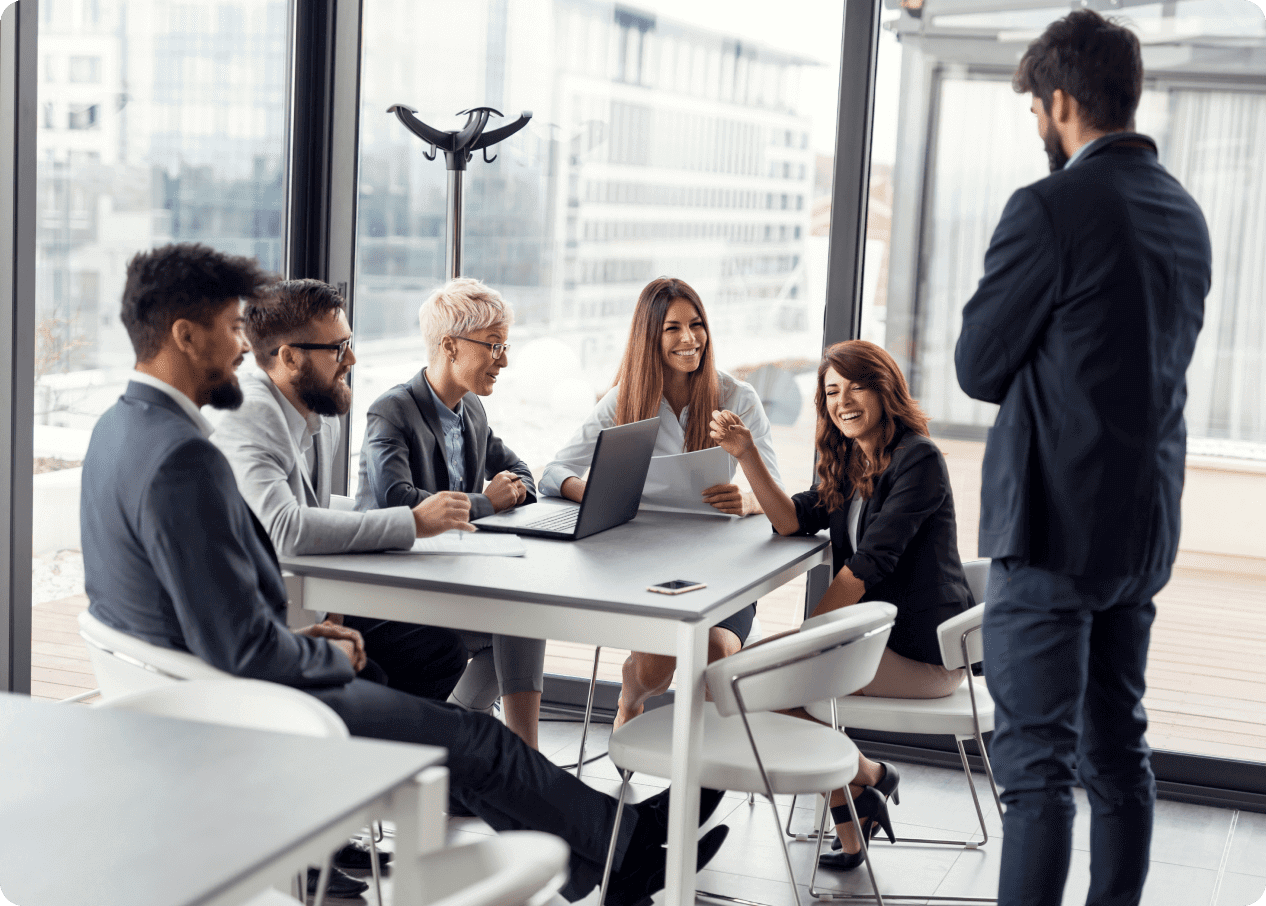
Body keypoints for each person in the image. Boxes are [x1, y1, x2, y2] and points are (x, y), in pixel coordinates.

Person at [80, 243, 730, 906]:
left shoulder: (122, 430)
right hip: (245, 701)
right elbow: (238, 643)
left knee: (442, 702)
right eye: (229, 331)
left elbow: (204, 605)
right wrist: (317, 646)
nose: (243, 349)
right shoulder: (184, 459)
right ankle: (631, 845)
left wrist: (312, 632)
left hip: (194, 685)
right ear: (186, 336)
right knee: (472, 737)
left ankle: (618, 857)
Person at [953, 11, 1212, 906]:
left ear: (1062, 101)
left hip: (1052, 534)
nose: (1035, 124)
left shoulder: (1051, 207)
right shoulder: (1184, 213)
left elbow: (978, 366)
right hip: (1139, 536)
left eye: (1035, 107)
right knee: (1119, 756)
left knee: (1035, 776)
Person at [709, 340, 974, 871]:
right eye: (832, 390)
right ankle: (867, 787)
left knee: (759, 681)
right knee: (755, 678)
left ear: (884, 388)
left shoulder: (917, 458)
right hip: (874, 639)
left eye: (856, 386)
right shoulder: (853, 459)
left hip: (925, 654)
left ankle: (867, 782)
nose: (843, 400)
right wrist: (746, 455)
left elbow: (868, 565)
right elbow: (790, 519)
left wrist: (808, 641)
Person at [212, 278, 473, 706]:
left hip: (307, 598)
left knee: (438, 651)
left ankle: (388, 752)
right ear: (289, 357)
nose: (350, 358)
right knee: (387, 669)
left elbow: (320, 515)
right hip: (260, 622)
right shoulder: (248, 413)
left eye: (349, 342)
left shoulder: (321, 415)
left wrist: (336, 607)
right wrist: (413, 522)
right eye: (336, 348)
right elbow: (288, 529)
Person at [539, 276, 784, 729]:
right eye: (673, 328)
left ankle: (694, 786)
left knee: (714, 655)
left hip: (723, 565)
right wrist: (595, 493)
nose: (689, 339)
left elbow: (776, 494)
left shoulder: (737, 397)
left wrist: (746, 501)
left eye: (697, 325)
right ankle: (631, 696)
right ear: (650, 335)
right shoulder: (625, 401)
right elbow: (553, 472)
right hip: (647, 564)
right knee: (656, 670)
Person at [354, 278, 546, 749]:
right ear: (449, 346)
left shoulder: (471, 410)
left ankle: (512, 753)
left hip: (452, 574)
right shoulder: (391, 412)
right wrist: (488, 502)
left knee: (525, 617)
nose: (504, 360)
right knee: (513, 619)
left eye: (505, 346)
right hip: (394, 587)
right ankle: (475, 747)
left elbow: (519, 469)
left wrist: (516, 490)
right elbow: (396, 501)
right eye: (494, 346)